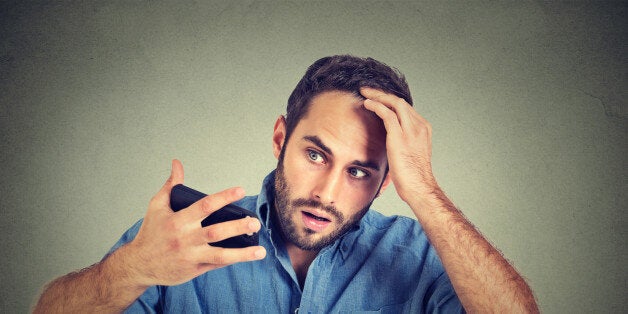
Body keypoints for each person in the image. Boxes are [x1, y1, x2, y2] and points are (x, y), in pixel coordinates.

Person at [34, 55, 539, 313]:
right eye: (315, 154)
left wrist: (425, 190)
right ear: (280, 138)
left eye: (360, 171)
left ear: (387, 180)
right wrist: (132, 268)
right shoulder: (180, 239)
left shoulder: (422, 260)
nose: (327, 191)